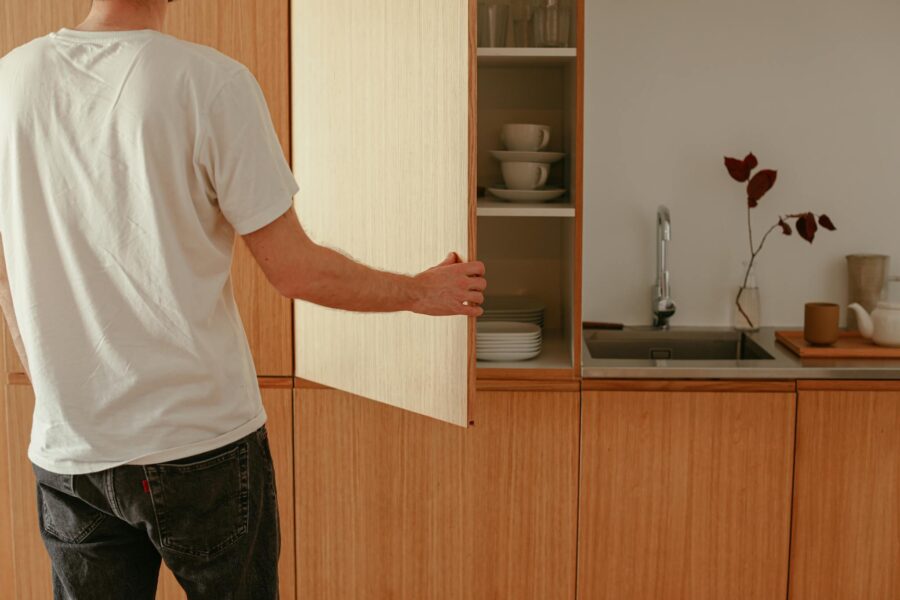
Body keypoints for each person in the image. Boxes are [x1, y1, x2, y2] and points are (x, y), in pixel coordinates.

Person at [0, 0, 487, 597]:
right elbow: (295, 271)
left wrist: (56, 387)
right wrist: (419, 291)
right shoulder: (208, 83)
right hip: (197, 443)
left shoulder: (10, 80)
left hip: (70, 448)